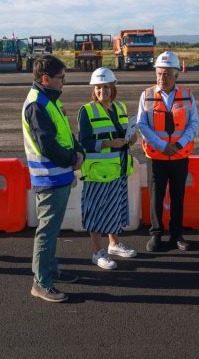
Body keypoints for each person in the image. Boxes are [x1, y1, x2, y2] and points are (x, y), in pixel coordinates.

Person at [22, 54, 85, 302]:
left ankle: (50, 270)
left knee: (52, 229)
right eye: (61, 78)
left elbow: (64, 134)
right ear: (45, 79)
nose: (64, 82)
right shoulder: (37, 104)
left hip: (58, 176)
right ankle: (41, 283)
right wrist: (72, 158)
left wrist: (77, 152)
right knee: (47, 232)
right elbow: (47, 145)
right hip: (49, 178)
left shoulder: (49, 101)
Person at [137, 51, 199, 252]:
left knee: (177, 196)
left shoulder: (187, 96)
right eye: (159, 73)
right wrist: (162, 146)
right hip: (157, 156)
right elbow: (142, 124)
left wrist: (179, 144)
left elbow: (193, 124)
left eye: (167, 74)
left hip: (180, 156)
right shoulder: (146, 95)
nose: (162, 78)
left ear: (176, 75)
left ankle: (176, 235)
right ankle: (156, 234)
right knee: (156, 197)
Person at [77, 67, 138, 270]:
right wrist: (107, 144)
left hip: (118, 169)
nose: (102, 91)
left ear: (113, 88)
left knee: (115, 209)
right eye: (98, 87)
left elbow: (123, 134)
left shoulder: (120, 108)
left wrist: (131, 139)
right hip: (97, 172)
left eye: (106, 87)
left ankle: (113, 244)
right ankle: (98, 252)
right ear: (94, 89)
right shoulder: (86, 111)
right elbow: (84, 142)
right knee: (95, 211)